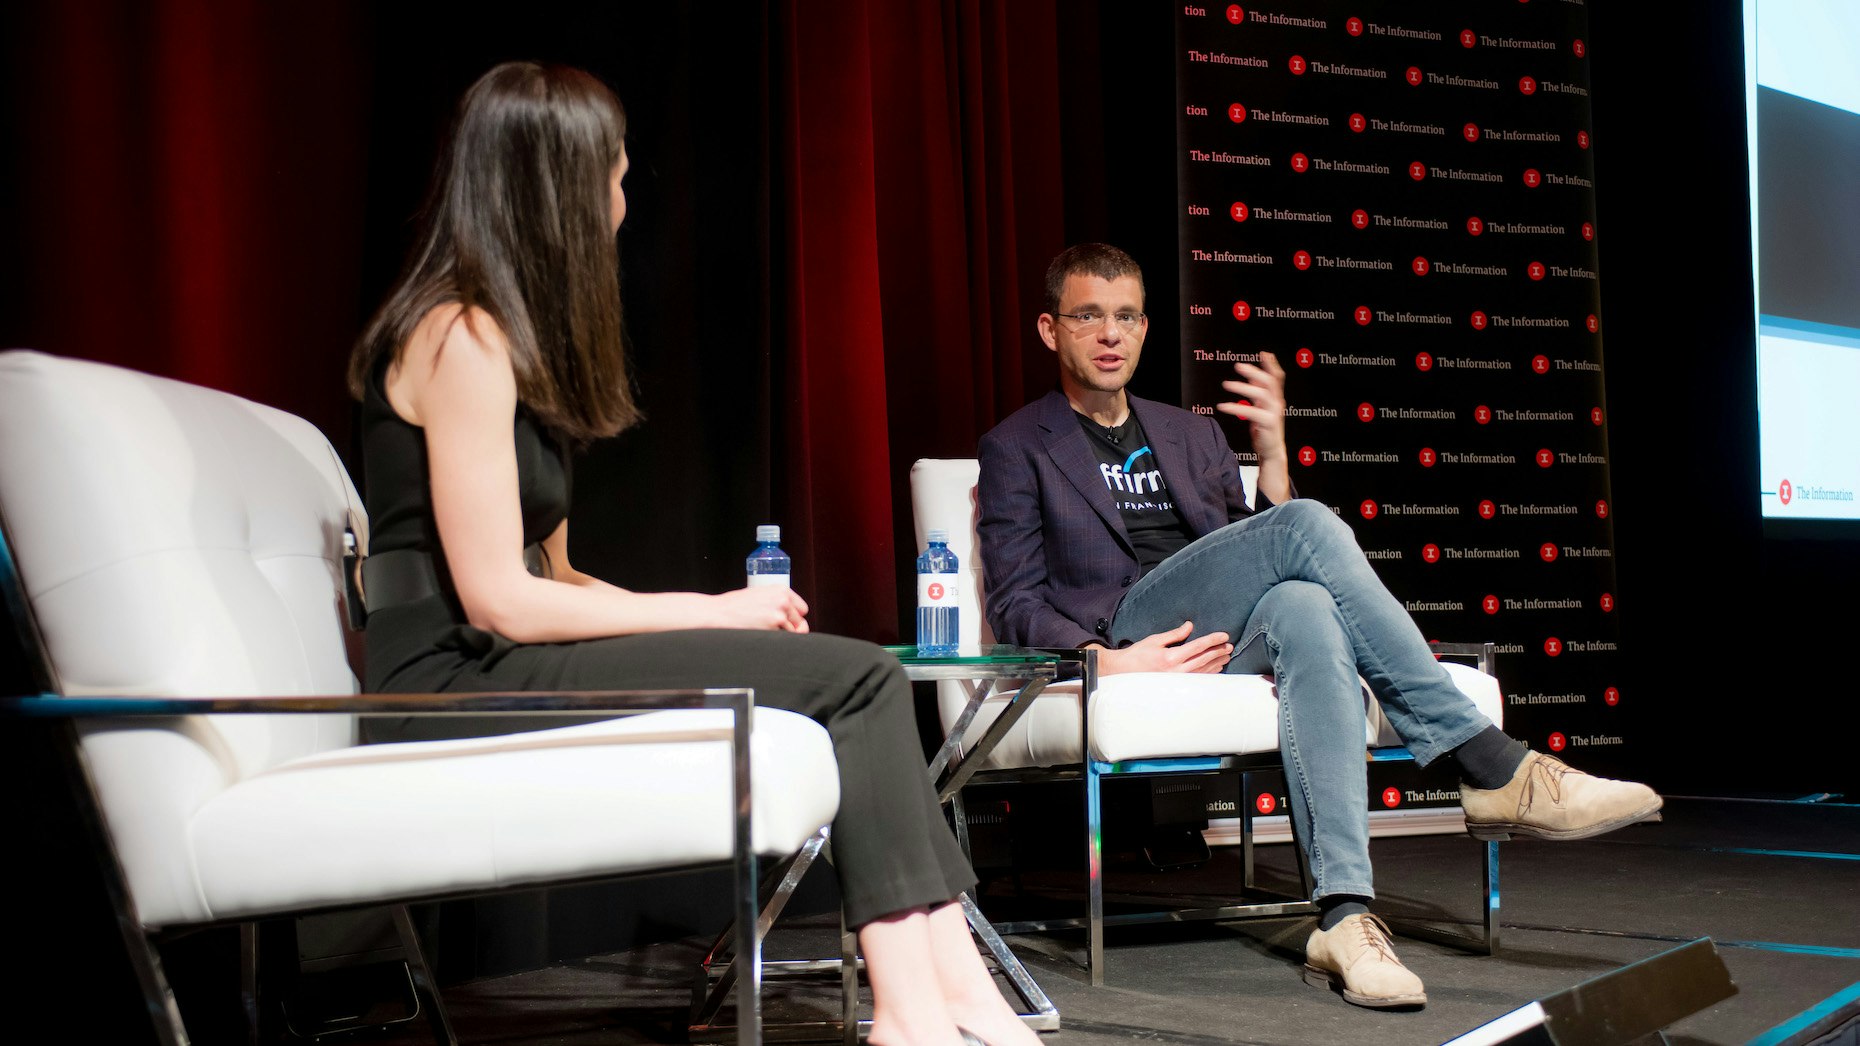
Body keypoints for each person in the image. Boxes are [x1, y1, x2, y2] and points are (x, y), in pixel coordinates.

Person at [347, 62, 1037, 1046]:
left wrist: (709, 599)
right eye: (616, 177)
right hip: (444, 676)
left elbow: (564, 574)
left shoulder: (511, 340)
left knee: (859, 673)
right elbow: (502, 597)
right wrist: (715, 613)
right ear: (561, 188)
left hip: (496, 652)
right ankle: (913, 1008)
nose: (625, 203)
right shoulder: (459, 333)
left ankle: (954, 986)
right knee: (855, 679)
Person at [976, 243, 1662, 1010]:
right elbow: (1015, 601)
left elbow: (1255, 549)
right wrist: (1112, 660)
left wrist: (1270, 456)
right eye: (1088, 316)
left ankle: (1343, 917)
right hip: (1134, 626)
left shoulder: (1187, 433)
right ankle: (1493, 765)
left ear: (1143, 329)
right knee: (1305, 526)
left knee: (1305, 605)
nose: (1110, 334)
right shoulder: (1016, 447)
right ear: (1050, 330)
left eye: (1127, 316)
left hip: (1220, 627)